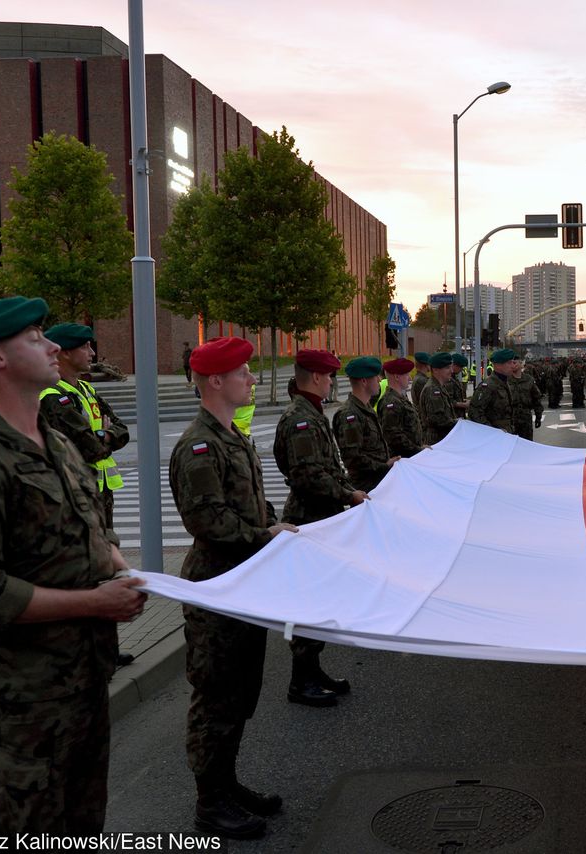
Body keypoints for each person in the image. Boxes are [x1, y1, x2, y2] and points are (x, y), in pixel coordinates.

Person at [0, 296, 146, 833]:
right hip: (24, 701)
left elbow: (91, 526)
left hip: (84, 681)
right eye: (34, 338)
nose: (52, 346)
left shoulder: (59, 446)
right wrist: (96, 601)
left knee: (81, 826)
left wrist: (117, 564)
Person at [170, 336, 296, 839]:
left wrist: (273, 528)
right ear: (215, 381)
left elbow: (254, 505)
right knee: (216, 699)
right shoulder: (198, 445)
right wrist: (263, 535)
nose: (250, 379)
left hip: (244, 583)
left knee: (242, 694)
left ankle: (227, 783)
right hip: (217, 586)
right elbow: (207, 520)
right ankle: (210, 803)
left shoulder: (233, 437)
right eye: (242, 373)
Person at [39, 322, 135, 668]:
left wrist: (107, 437)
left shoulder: (86, 391)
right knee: (88, 570)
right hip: (77, 496)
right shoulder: (54, 397)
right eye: (85, 347)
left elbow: (122, 429)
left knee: (105, 567)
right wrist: (105, 437)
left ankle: (107, 649)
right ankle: (93, 652)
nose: (93, 354)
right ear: (64, 352)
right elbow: (92, 446)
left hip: (100, 492)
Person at [273, 349, 366, 709]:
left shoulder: (310, 413)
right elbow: (308, 476)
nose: (331, 382)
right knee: (309, 603)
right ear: (314, 377)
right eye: (328, 376)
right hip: (309, 519)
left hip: (322, 517)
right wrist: (348, 494)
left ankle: (313, 671)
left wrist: (346, 490)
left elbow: (327, 466)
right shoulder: (301, 419)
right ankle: (301, 680)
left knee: (321, 600)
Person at [334, 356, 399, 493]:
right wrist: (384, 466)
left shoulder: (366, 408)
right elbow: (353, 458)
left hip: (379, 483)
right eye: (375, 377)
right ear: (364, 381)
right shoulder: (349, 414)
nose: (379, 380)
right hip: (366, 488)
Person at [379, 358, 426, 458]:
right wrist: (418, 450)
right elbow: (394, 437)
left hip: (410, 456)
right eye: (407, 375)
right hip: (402, 459)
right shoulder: (391, 402)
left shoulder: (400, 397)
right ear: (396, 377)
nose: (409, 378)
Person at [469, 349, 518, 434]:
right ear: (498, 365)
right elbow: (475, 412)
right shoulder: (488, 386)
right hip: (494, 437)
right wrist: (492, 431)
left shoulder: (506, 383)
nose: (513, 366)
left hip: (507, 433)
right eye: (509, 363)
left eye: (513, 362)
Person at [420, 352, 461, 444]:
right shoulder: (433, 389)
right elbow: (438, 419)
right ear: (435, 370)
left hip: (443, 438)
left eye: (451, 367)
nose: (452, 371)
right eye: (447, 368)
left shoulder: (439, 387)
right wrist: (459, 424)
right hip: (437, 441)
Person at [509, 354, 545, 439]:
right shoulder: (506, 380)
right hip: (510, 419)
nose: (512, 365)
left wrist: (538, 417)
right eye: (511, 363)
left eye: (514, 363)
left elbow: (536, 398)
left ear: (521, 364)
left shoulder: (528, 380)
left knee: (527, 444)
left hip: (525, 418)